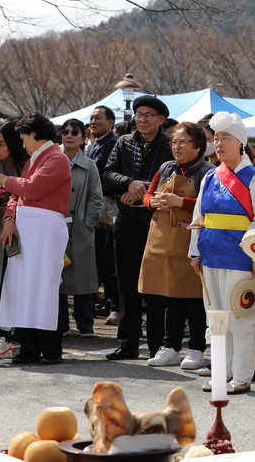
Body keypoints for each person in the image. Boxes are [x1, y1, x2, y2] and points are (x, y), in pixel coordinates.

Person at [189, 113, 255, 394]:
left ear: (240, 143)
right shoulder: (210, 175)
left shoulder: (254, 177)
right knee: (217, 318)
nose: (219, 143)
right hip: (211, 252)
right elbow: (198, 216)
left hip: (239, 255)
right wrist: (194, 252)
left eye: (226, 137)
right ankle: (221, 372)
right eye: (217, 137)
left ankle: (242, 375)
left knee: (240, 317)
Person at [0, 112, 72, 364]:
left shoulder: (58, 158)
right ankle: (29, 347)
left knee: (43, 288)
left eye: (23, 138)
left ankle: (50, 348)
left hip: (45, 229)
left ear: (34, 134)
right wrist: (9, 219)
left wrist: (5, 180)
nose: (22, 144)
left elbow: (32, 188)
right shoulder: (37, 157)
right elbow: (16, 196)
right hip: (26, 228)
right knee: (21, 289)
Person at [101, 95, 174, 360]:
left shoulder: (169, 146)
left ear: (161, 120)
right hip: (127, 224)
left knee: (155, 288)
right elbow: (107, 173)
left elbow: (174, 177)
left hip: (157, 225)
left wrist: (140, 190)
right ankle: (127, 342)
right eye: (138, 114)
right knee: (127, 285)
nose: (142, 119)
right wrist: (127, 183)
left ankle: (157, 345)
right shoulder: (123, 142)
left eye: (148, 115)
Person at [142, 121, 213, 371]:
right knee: (168, 294)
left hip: (191, 241)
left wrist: (179, 201)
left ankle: (195, 349)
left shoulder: (208, 171)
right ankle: (169, 347)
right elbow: (147, 194)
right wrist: (154, 202)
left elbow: (210, 206)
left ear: (199, 146)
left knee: (193, 297)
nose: (176, 146)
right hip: (164, 240)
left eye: (182, 142)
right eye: (173, 142)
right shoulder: (165, 167)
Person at [0, 121, 30, 359]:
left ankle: (20, 334)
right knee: (2, 283)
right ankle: (3, 336)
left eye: (2, 143)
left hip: (27, 229)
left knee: (23, 285)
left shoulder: (28, 165)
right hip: (0, 231)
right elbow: (0, 201)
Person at [58, 119, 102, 339]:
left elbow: (96, 197)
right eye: (65, 131)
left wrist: (87, 223)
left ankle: (85, 324)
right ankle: (60, 323)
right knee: (57, 274)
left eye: (75, 132)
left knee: (83, 276)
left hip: (80, 227)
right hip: (55, 225)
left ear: (83, 138)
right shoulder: (52, 161)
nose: (69, 135)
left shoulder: (90, 165)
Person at [87, 105, 120, 325]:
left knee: (109, 261)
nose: (93, 121)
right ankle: (107, 302)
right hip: (93, 211)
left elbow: (98, 174)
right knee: (98, 260)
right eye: (91, 118)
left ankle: (115, 305)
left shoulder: (111, 145)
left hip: (106, 213)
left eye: (98, 118)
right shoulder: (94, 145)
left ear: (110, 122)